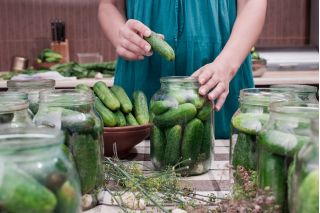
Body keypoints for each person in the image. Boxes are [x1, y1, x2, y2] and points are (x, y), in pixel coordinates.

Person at [98, 0, 267, 139]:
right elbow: (109, 5)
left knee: (235, 167)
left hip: (221, 72)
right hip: (141, 76)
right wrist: (119, 33)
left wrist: (227, 64)